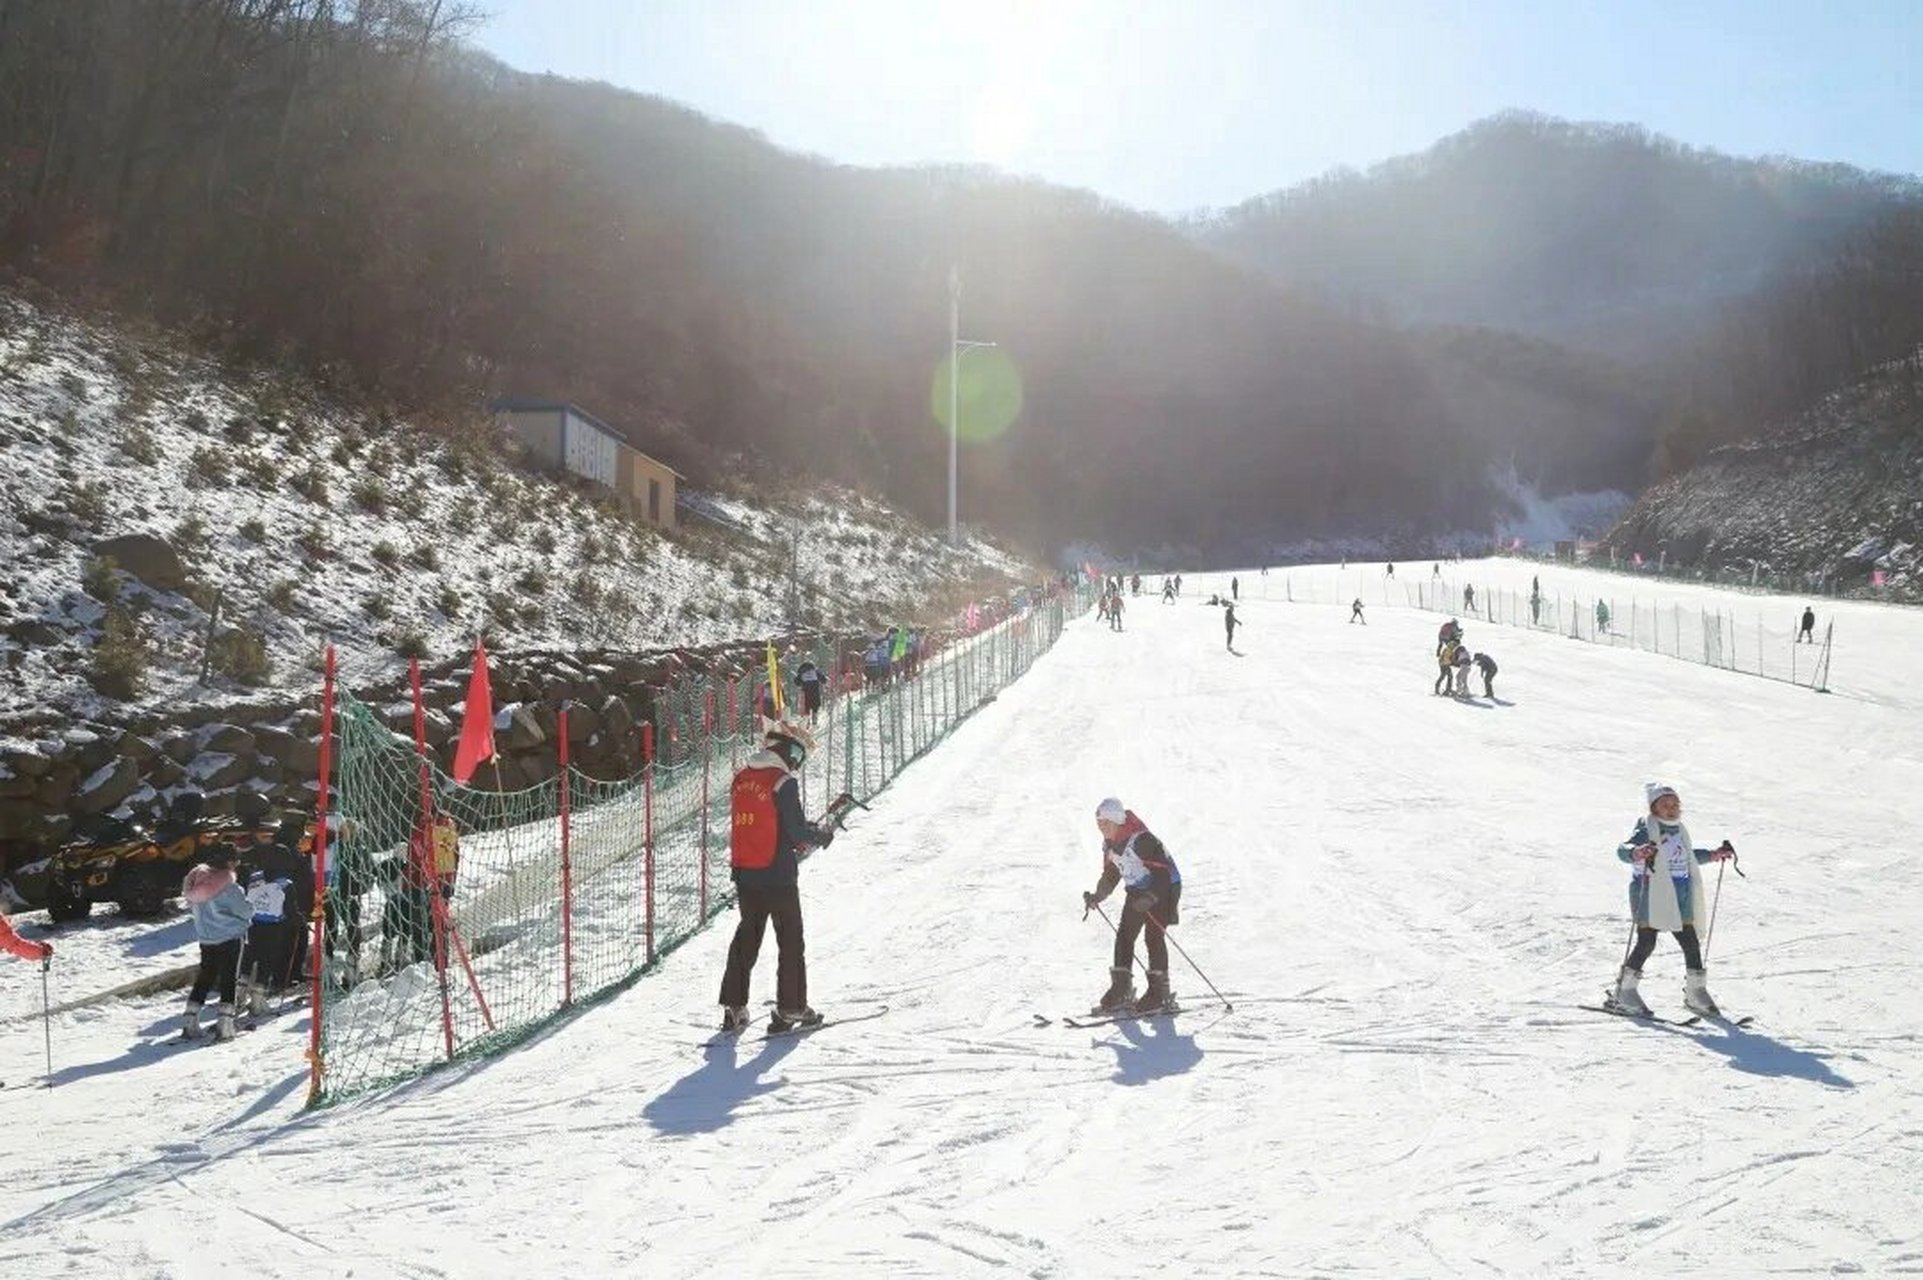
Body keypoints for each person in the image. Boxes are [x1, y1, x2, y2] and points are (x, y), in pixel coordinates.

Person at [718, 722, 837, 1033]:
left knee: (747, 937)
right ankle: (791, 1008)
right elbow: (796, 831)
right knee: (790, 938)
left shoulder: (741, 779)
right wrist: (819, 835)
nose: (797, 761)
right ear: (786, 750)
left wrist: (801, 829)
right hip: (778, 874)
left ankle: (734, 1007)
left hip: (746, 873)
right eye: (796, 754)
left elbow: (765, 821)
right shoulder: (783, 782)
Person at [1607, 784, 1735, 1019]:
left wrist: (1713, 855)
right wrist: (1637, 852)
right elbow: (1622, 849)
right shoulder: (1647, 829)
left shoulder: (1679, 830)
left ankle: (1696, 992)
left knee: (1690, 941)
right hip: (1650, 893)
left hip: (1679, 895)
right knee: (1647, 942)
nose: (1672, 809)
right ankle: (1624, 991)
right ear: (1653, 807)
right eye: (1665, 805)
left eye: (1675, 804)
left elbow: (1687, 857)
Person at [1083, 798, 1182, 1014]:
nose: (1102, 829)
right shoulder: (1110, 844)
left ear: (1117, 821)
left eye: (1105, 824)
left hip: (1164, 888)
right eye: (1099, 825)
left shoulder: (1142, 840)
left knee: (1153, 937)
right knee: (1125, 936)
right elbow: (1112, 874)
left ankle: (1160, 995)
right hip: (1138, 890)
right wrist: (1097, 896)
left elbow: (1163, 873)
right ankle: (1122, 990)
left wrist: (1151, 897)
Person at [181, 843, 254, 1040]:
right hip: (230, 937)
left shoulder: (198, 883)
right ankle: (225, 1023)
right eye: (236, 860)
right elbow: (245, 910)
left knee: (206, 976)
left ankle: (190, 1019)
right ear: (229, 862)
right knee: (229, 978)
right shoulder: (229, 887)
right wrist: (250, 907)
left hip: (206, 938)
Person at [795, 658, 824, 723]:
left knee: (806, 707)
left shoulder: (801, 673)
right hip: (815, 692)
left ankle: (807, 721)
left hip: (806, 693)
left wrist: (801, 682)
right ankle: (814, 718)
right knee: (815, 706)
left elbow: (796, 682)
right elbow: (823, 679)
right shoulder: (815, 672)